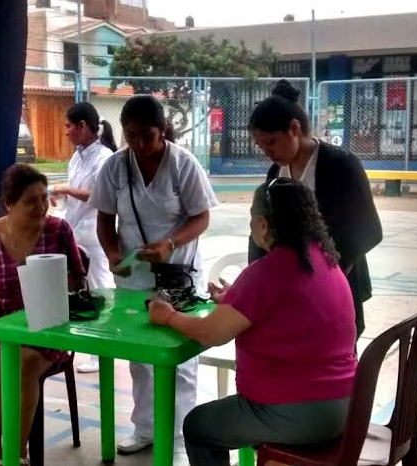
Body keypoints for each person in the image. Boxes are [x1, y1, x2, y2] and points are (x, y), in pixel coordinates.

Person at [150, 178, 358, 466]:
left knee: (199, 426)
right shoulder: (326, 261)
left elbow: (210, 334)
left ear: (263, 224)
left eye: (252, 219)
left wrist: (168, 316)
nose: (250, 227)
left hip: (295, 414)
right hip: (346, 406)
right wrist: (233, 301)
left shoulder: (267, 272)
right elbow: (287, 310)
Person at [89, 95, 218, 455]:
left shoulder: (183, 164)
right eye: (131, 136)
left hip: (178, 275)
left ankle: (180, 434)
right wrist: (114, 255)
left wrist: (170, 244)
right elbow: (104, 219)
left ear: (163, 131)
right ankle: (145, 428)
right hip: (134, 277)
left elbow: (202, 217)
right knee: (141, 357)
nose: (139, 144)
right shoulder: (115, 167)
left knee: (181, 357)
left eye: (147, 135)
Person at [0, 164, 86, 466]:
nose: (41, 207)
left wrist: (60, 277)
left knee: (24, 362)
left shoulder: (59, 231)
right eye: (31, 201)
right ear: (9, 204)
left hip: (45, 329)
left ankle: (16, 455)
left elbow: (79, 280)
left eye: (44, 198)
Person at [248, 79, 382, 339]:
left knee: (335, 360)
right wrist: (255, 281)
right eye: (260, 146)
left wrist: (325, 277)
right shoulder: (276, 171)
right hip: (293, 289)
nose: (266, 152)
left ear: (294, 129)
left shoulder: (341, 165)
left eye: (271, 142)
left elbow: (368, 231)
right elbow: (263, 229)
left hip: (337, 283)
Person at [50, 102, 117, 374]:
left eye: (69, 126)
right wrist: (61, 194)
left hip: (95, 232)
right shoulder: (77, 157)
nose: (66, 132)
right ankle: (88, 344)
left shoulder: (105, 158)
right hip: (75, 229)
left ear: (83, 126)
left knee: (99, 287)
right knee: (79, 290)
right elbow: (77, 192)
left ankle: (102, 351)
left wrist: (67, 188)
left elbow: (98, 196)